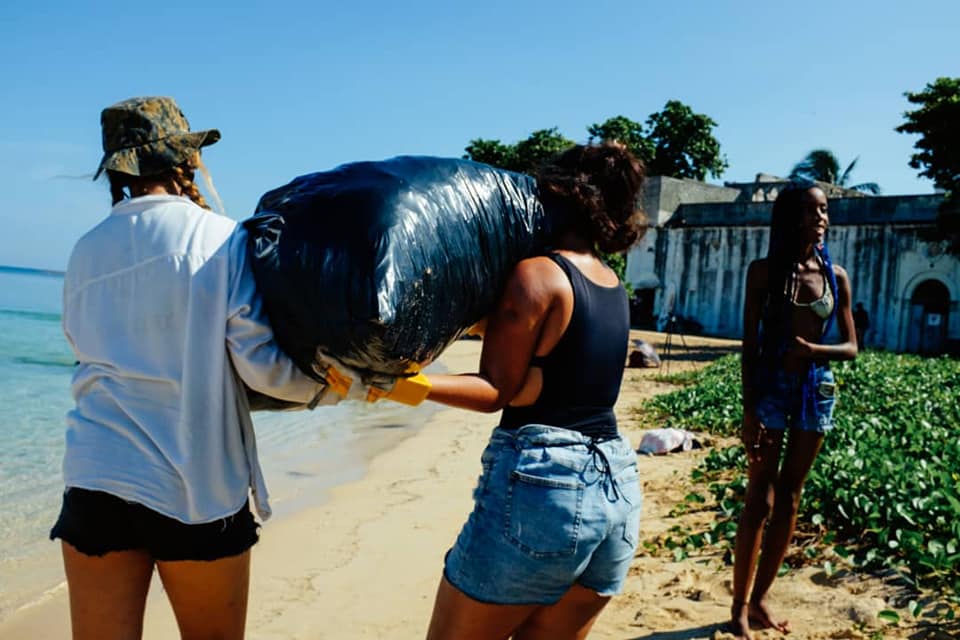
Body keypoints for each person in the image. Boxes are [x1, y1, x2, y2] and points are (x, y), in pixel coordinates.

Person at [51, 96, 352, 640]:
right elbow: (262, 370)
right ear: (185, 160)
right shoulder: (220, 240)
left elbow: (81, 348)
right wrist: (335, 387)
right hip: (194, 487)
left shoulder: (84, 251)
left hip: (96, 476)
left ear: (117, 171)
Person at [374, 143, 646, 640]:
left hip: (548, 492)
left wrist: (402, 387)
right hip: (617, 491)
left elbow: (497, 389)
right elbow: (555, 361)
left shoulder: (537, 274)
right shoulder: (609, 284)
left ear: (559, 193)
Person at [731, 181, 858, 639]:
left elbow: (851, 347)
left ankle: (761, 598)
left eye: (824, 211)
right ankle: (739, 606)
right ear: (790, 218)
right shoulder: (763, 273)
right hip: (770, 386)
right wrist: (749, 411)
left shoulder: (835, 277)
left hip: (815, 388)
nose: (821, 219)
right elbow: (750, 346)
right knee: (759, 497)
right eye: (812, 211)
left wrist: (812, 351)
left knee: (790, 496)